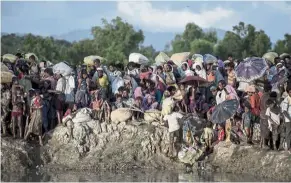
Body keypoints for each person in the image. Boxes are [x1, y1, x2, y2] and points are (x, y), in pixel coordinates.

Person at [280, 84, 291, 153]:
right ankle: (289, 147)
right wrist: (290, 118)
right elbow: (284, 111)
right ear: (288, 92)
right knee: (289, 133)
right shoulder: (286, 99)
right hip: (288, 120)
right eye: (290, 92)